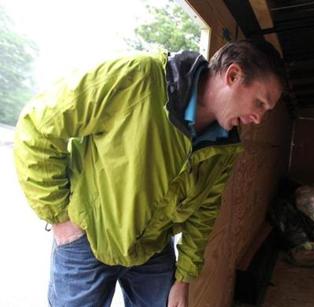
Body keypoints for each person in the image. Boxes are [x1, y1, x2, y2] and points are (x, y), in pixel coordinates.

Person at [14, 39, 285, 307]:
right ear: (233, 75)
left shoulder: (225, 146)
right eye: (259, 103)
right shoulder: (138, 77)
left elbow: (205, 212)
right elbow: (37, 128)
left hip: (153, 249)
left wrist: (183, 279)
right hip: (87, 239)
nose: (259, 119)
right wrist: (59, 217)